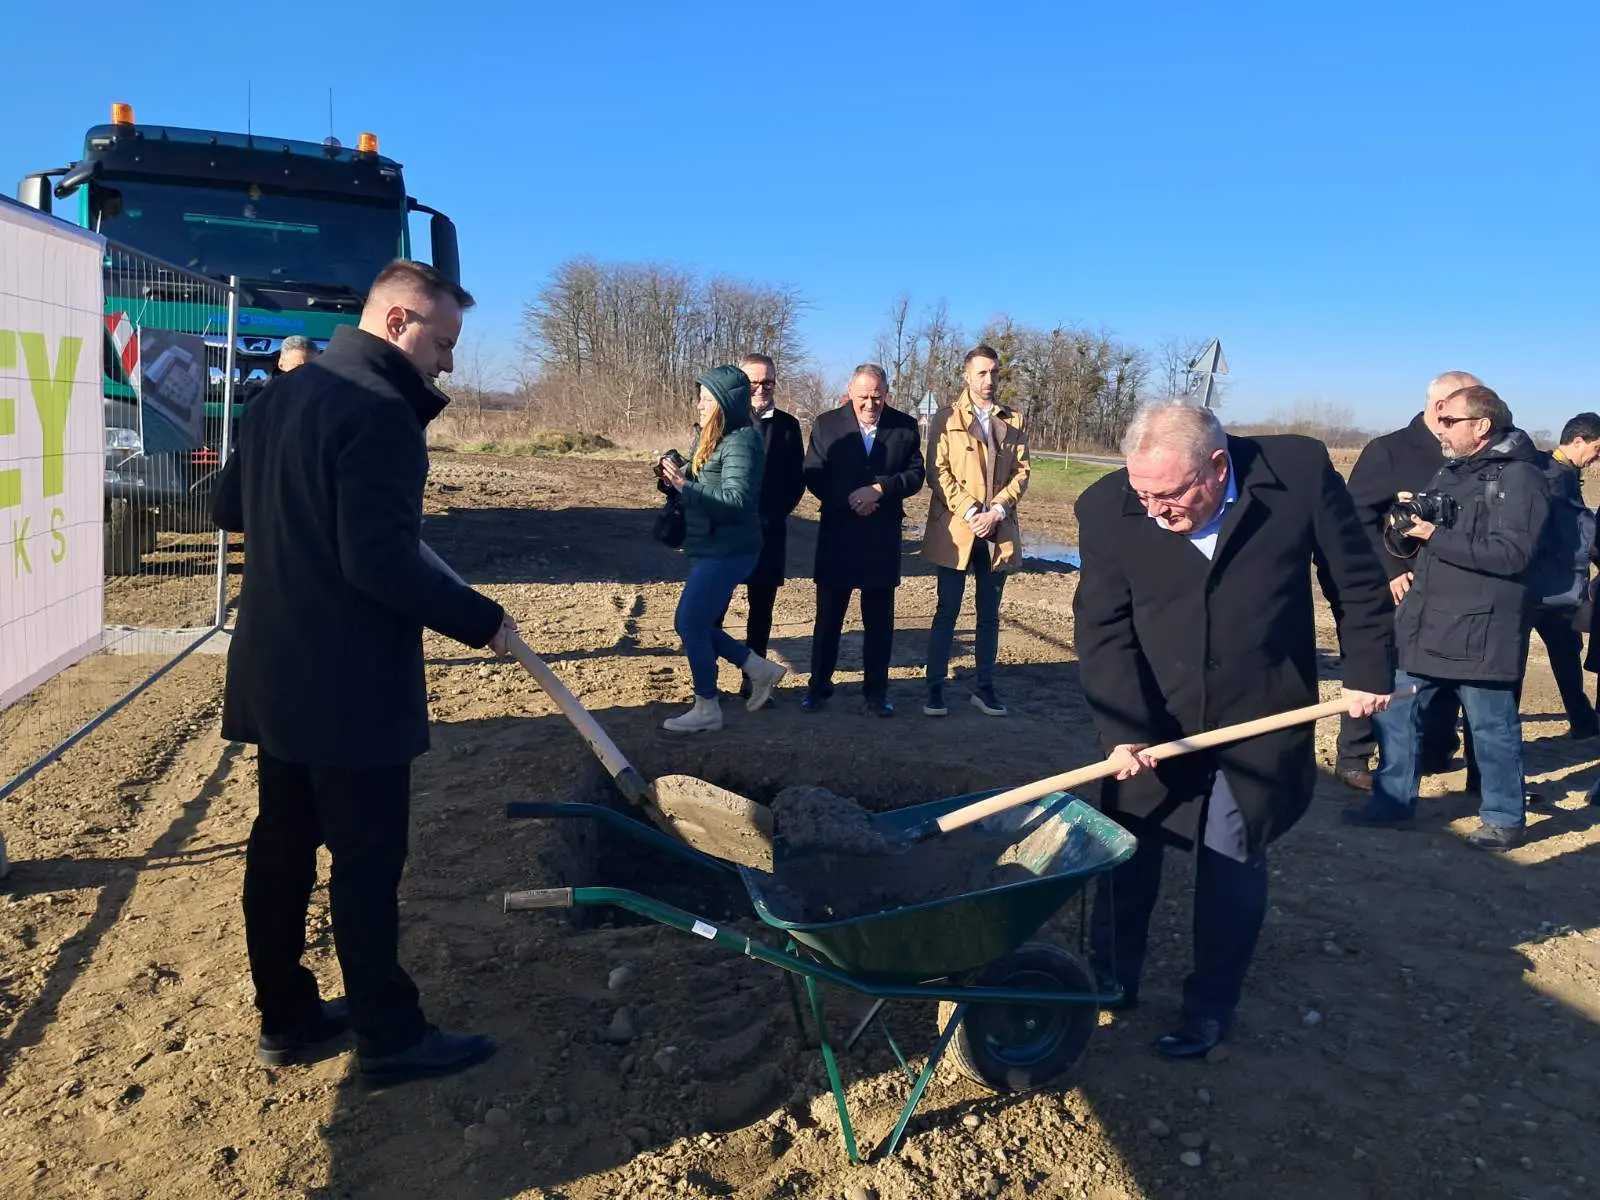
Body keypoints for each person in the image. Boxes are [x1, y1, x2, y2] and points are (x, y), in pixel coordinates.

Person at [212, 259, 517, 1083]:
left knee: (280, 848)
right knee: (366, 862)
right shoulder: (381, 413)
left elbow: (226, 508)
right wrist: (483, 621)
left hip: (277, 672)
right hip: (349, 689)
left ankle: (288, 1016)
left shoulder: (285, 394)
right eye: (441, 342)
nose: (447, 364)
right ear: (395, 323)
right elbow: (379, 563)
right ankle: (391, 1032)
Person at [1073, 399, 1394, 1058]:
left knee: (1230, 856)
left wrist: (1368, 670)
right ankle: (1109, 981)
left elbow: (1357, 583)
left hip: (1263, 714)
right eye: (1143, 493)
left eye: (1169, 495)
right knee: (1126, 849)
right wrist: (1123, 729)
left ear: (1217, 467)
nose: (1155, 511)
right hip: (1153, 717)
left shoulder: (1298, 473)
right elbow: (1102, 629)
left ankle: (1209, 1007)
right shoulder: (1108, 508)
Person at [1342, 385, 1549, 850]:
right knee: (1398, 715)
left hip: (1482, 626)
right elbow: (1427, 533)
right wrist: (1403, 531)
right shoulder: (1452, 470)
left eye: (1451, 420)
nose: (1441, 427)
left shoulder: (1520, 479)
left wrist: (1434, 533)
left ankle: (1502, 816)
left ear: (1482, 426)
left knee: (1491, 727)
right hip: (1426, 618)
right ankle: (1393, 802)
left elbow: (1514, 554)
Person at [1335, 371, 1482, 790]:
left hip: (1451, 585)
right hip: (1397, 585)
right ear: (1441, 408)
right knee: (1378, 667)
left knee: (1439, 671)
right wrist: (1390, 570)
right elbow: (1355, 517)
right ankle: (1354, 757)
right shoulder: (1390, 451)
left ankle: (1435, 749)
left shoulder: (1470, 454)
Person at [656, 365, 786, 732]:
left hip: (729, 549)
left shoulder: (742, 440)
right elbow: (706, 480)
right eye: (700, 396)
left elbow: (735, 501)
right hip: (710, 545)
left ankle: (707, 707)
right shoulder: (712, 435)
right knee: (693, 622)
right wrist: (676, 474)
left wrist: (686, 486)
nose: (699, 404)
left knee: (689, 623)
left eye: (707, 399)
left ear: (726, 403)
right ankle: (760, 669)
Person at [800, 365, 925, 716]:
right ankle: (818, 688)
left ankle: (876, 693)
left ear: (886, 392)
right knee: (828, 619)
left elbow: (916, 475)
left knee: (879, 621)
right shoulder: (827, 424)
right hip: (838, 533)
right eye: (863, 397)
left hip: (881, 536)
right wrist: (851, 498)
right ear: (850, 392)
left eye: (877, 397)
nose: (870, 404)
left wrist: (880, 490)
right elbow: (814, 472)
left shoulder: (905, 426)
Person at [921, 344, 1031, 717]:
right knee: (946, 610)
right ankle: (934, 687)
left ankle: (985, 686)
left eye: (995, 373)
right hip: (956, 529)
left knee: (989, 614)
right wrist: (971, 510)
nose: (989, 380)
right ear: (967, 375)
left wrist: (997, 510)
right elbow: (937, 472)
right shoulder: (946, 417)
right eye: (982, 373)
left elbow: (1022, 472)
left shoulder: (1013, 419)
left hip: (997, 531)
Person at [714, 352, 806, 704]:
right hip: (725, 533)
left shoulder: (787, 426)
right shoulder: (722, 421)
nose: (761, 388)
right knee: (714, 608)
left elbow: (795, 480)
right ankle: (707, 682)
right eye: (753, 382)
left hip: (768, 532)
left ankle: (753, 678)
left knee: (761, 609)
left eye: (768, 382)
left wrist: (770, 516)